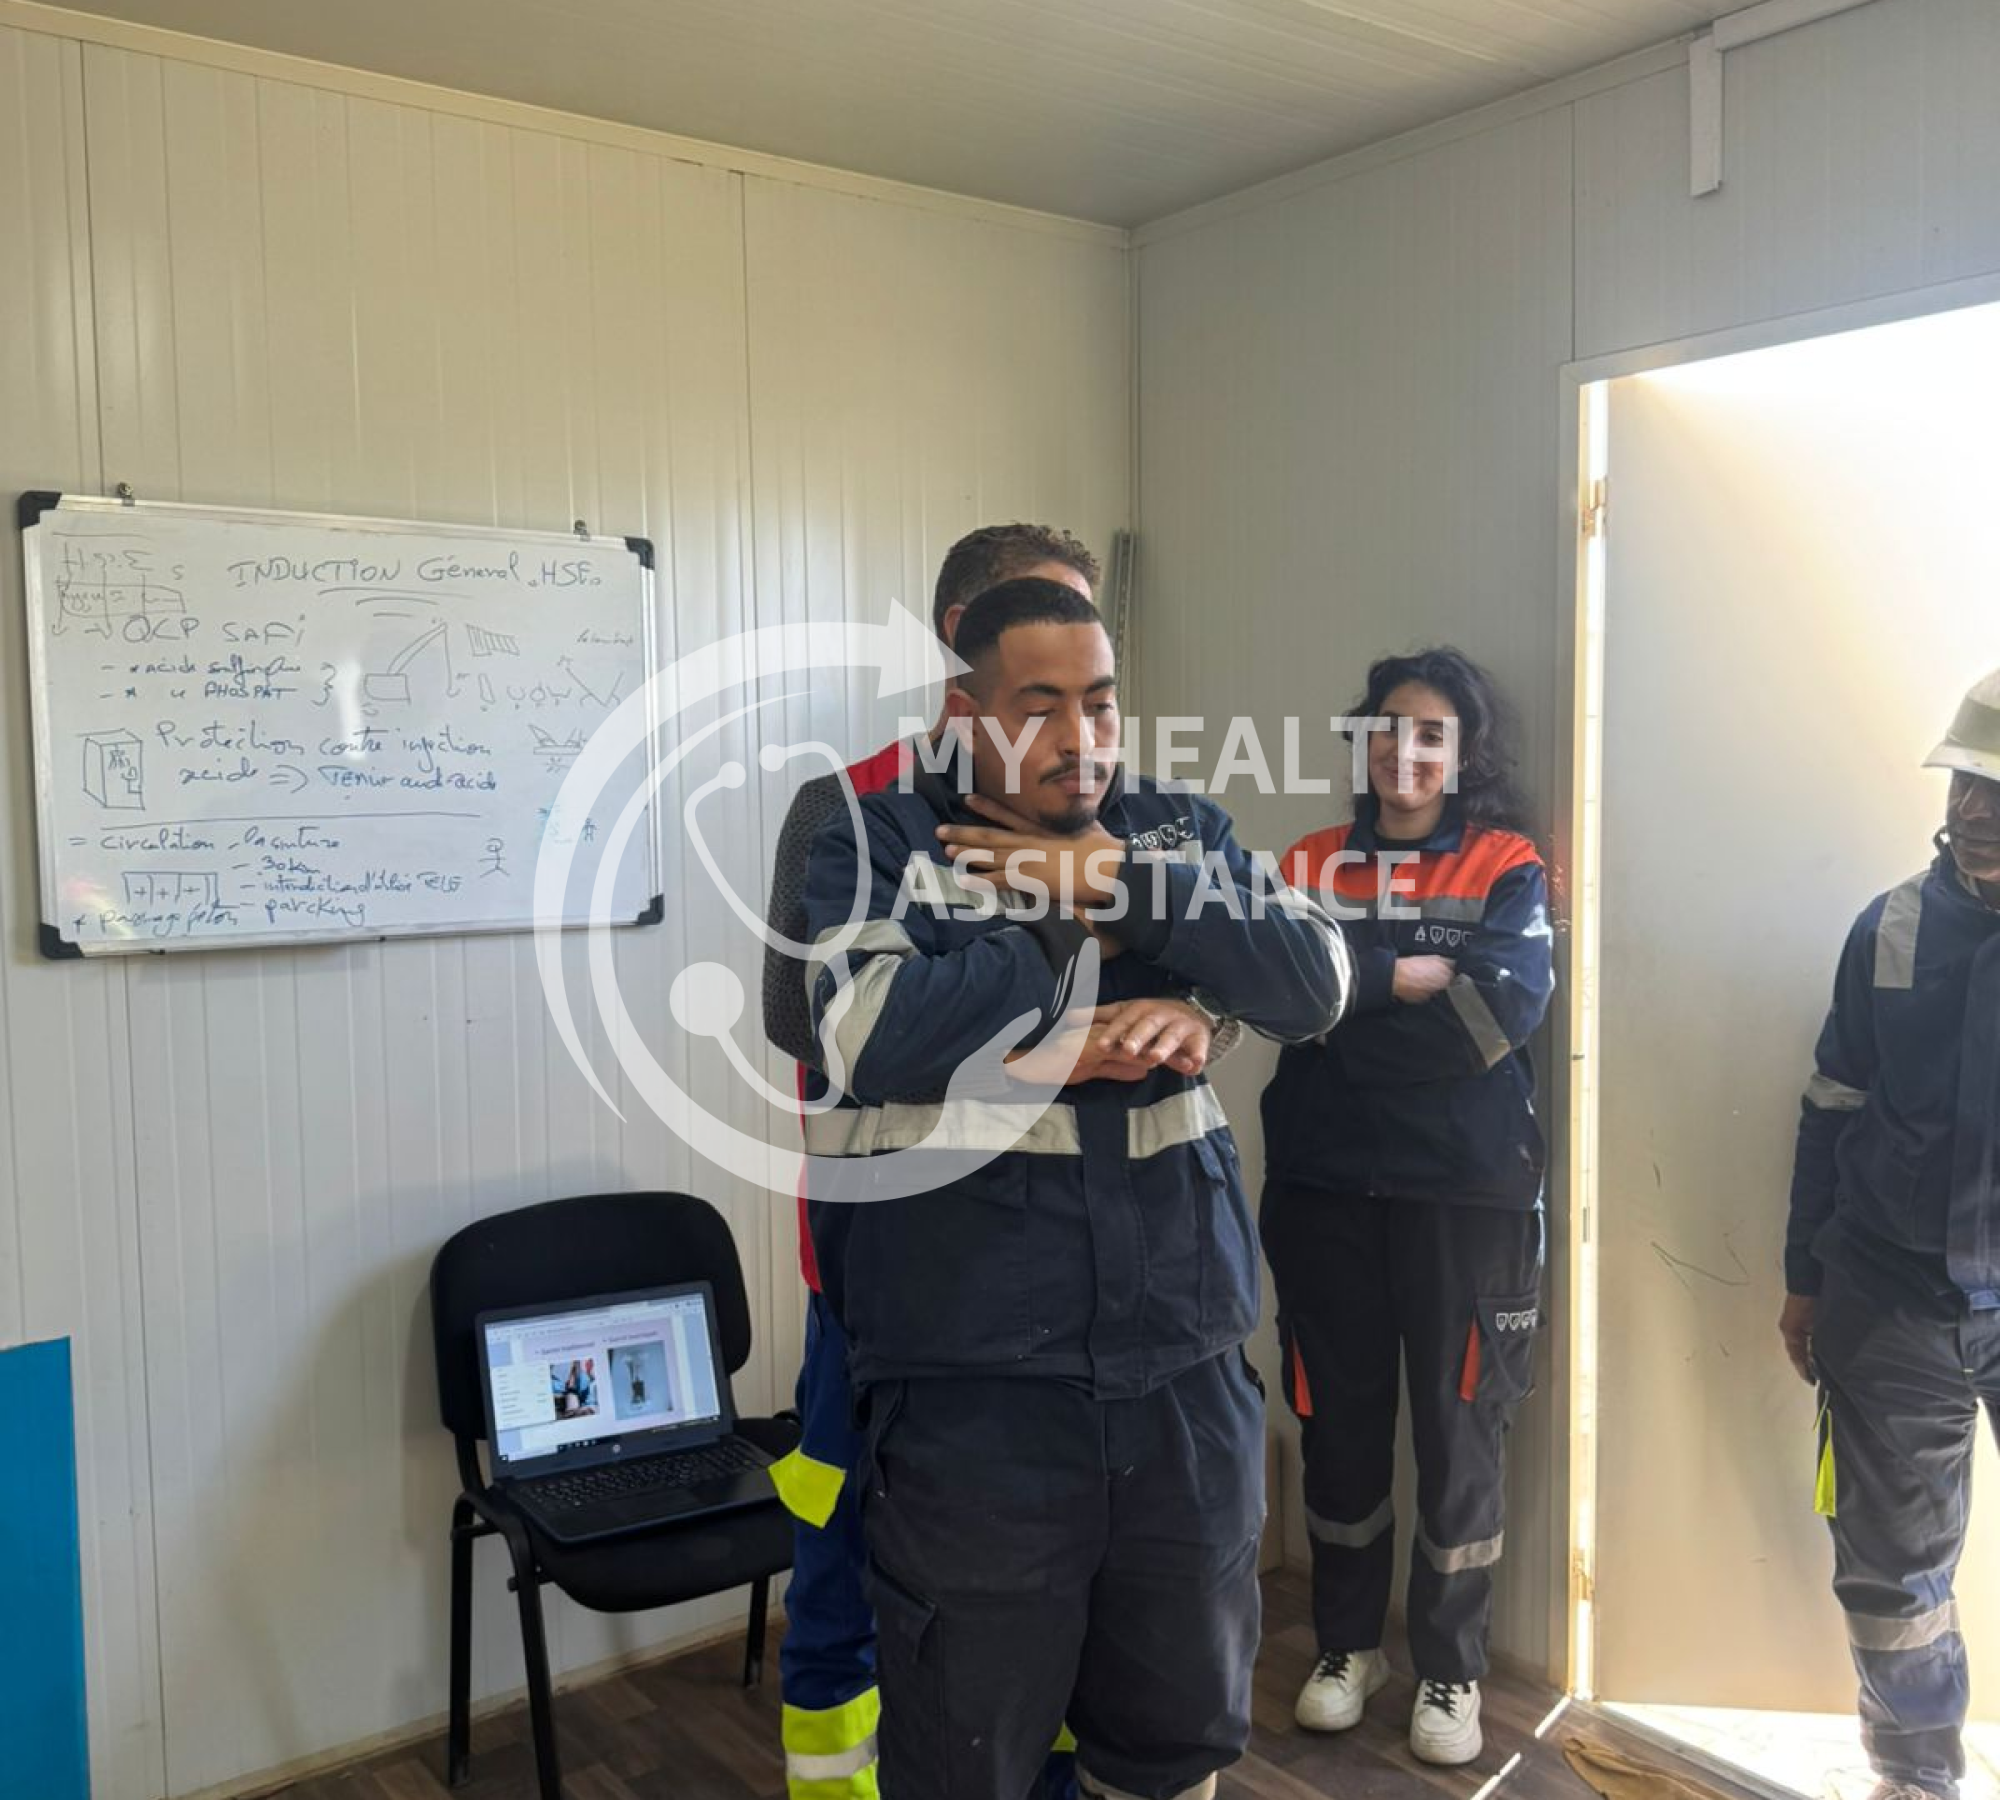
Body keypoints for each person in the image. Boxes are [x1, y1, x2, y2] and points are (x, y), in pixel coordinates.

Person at [800, 577, 1352, 1800]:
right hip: (976, 1397)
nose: (1079, 738)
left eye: (1098, 703)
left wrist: (1117, 885)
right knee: (968, 1754)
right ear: (965, 711)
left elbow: (1313, 979)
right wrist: (1065, 948)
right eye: (1037, 705)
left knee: (1170, 1745)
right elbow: (861, 1030)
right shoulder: (872, 839)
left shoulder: (1172, 830)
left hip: (1182, 1373)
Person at [763, 525, 1163, 1800]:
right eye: (1031, 631)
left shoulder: (1114, 813)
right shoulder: (850, 808)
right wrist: (1047, 957)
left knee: (1046, 1588)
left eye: (1085, 645)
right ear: (959, 645)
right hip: (885, 1270)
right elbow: (800, 1020)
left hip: (1063, 1293)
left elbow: (1213, 977)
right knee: (845, 1565)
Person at [1257, 647, 1555, 1766]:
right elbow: (1277, 1001)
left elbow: (1492, 1021)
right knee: (1336, 1428)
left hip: (1463, 1197)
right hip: (1323, 1192)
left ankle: (1449, 1666)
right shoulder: (1306, 861)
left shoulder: (1506, 865)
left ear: (1463, 753)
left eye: (1431, 732)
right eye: (1387, 728)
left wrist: (1345, 1018)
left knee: (1458, 1435)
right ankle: (1348, 1647)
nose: (1405, 750)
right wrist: (1395, 984)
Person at [1780, 669, 2000, 1800]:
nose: (1974, 808)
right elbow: (1831, 1104)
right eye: (1966, 780)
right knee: (1891, 1582)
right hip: (1888, 1301)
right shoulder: (1891, 928)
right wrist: (1802, 1277)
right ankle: (1913, 1776)